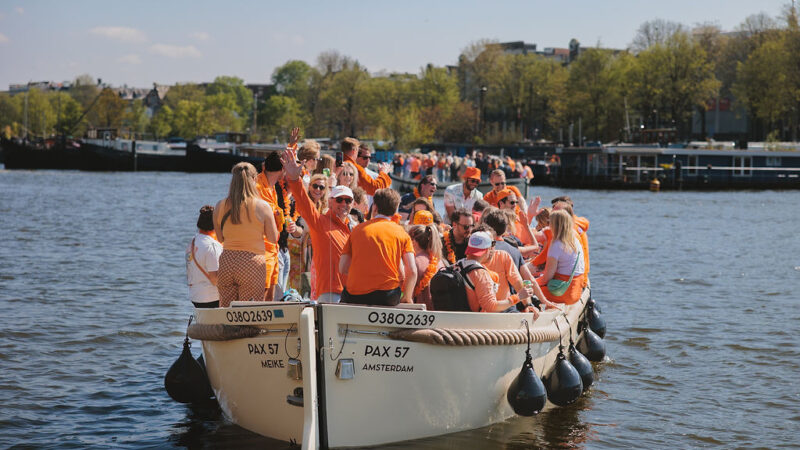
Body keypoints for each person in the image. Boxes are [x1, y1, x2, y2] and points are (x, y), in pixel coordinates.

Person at [281, 146, 354, 303]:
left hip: (352, 292)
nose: (344, 204)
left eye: (348, 200)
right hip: (330, 292)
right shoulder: (320, 222)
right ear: (330, 202)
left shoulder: (353, 228)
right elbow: (303, 202)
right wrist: (294, 179)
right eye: (339, 200)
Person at [213, 162, 279, 306]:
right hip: (252, 262)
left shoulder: (220, 205)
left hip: (227, 260)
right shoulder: (262, 206)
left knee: (226, 312)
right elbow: (273, 239)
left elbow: (220, 238)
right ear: (255, 179)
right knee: (249, 312)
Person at [339, 188, 417, 306]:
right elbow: (412, 271)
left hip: (355, 295)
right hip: (387, 295)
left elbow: (343, 268)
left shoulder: (357, 230)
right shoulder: (401, 233)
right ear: (395, 210)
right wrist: (407, 296)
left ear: (374, 207)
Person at [459, 231, 537, 315]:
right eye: (492, 244)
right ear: (488, 249)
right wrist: (518, 297)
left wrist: (528, 304)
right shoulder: (480, 273)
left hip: (460, 317)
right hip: (482, 321)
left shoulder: (458, 264)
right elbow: (491, 307)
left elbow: (517, 282)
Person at [536, 210, 586, 305]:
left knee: (528, 290)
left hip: (562, 292)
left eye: (549, 222)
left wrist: (529, 282)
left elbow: (547, 277)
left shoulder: (556, 244)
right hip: (576, 292)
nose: (547, 226)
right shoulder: (575, 240)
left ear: (554, 225)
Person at [256, 151, 287, 301]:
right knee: (263, 292)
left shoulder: (272, 187)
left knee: (272, 292)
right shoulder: (257, 186)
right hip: (261, 249)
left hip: (273, 248)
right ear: (282, 169)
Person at [186, 205, 223, 308]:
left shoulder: (192, 243)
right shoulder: (212, 246)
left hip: (195, 296)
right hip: (211, 298)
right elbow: (214, 279)